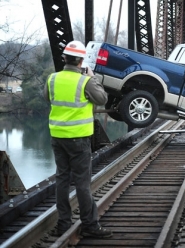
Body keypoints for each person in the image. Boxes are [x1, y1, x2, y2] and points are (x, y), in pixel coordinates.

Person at [44, 40, 112, 238]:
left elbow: (47, 98)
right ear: (81, 61)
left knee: (62, 179)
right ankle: (90, 225)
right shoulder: (85, 81)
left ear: (64, 58)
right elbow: (102, 99)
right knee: (82, 183)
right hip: (79, 139)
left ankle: (64, 223)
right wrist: (93, 78)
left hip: (57, 137)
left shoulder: (52, 79)